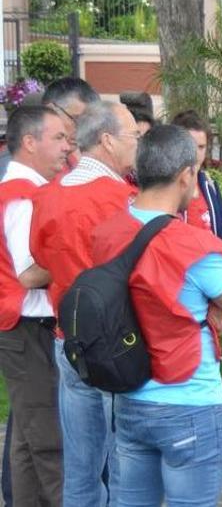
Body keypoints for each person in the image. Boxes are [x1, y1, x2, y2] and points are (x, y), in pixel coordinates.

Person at [90, 125, 222, 506]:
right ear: (186, 174)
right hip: (189, 397)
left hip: (131, 393)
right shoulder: (190, 245)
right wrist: (213, 307)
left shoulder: (107, 233)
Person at [30, 100, 139, 505]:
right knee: (126, 461)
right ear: (107, 140)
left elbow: (42, 259)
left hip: (68, 338)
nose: (138, 145)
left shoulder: (50, 195)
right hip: (118, 343)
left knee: (81, 466)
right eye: (134, 136)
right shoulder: (123, 201)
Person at [0, 106, 72, 506]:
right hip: (26, 325)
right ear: (30, 143)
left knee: (29, 440)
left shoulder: (25, 192)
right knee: (48, 439)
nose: (67, 147)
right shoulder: (24, 197)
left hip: (26, 324)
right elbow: (29, 273)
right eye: (58, 138)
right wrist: (77, 256)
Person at [170, 110, 222, 249]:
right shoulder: (166, 187)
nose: (196, 153)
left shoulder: (208, 185)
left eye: (201, 147)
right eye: (190, 146)